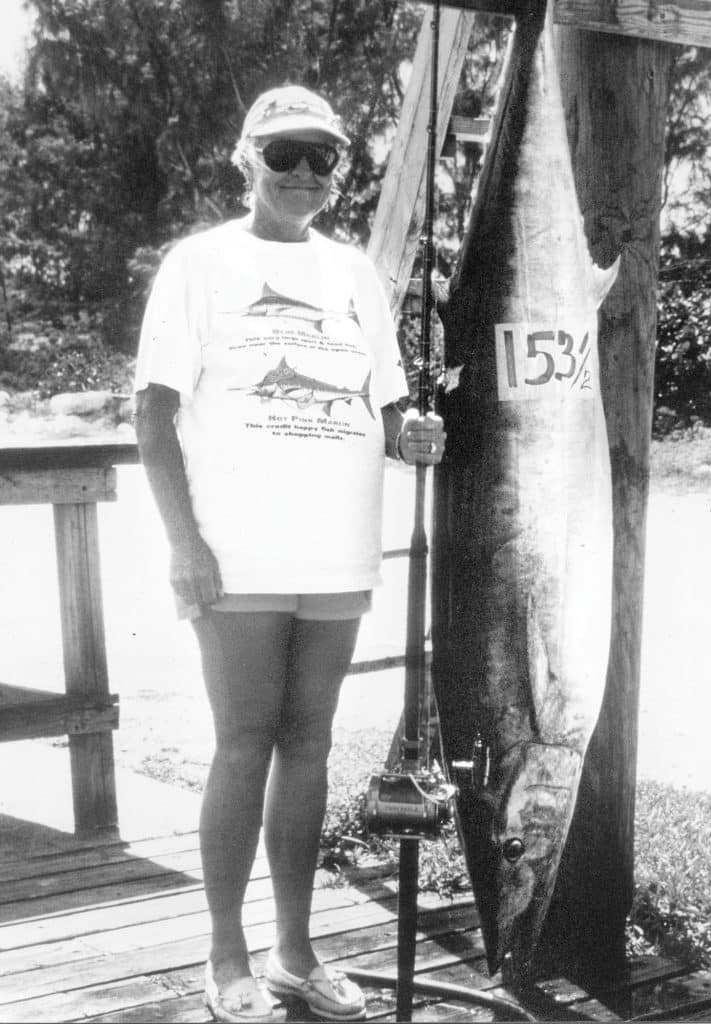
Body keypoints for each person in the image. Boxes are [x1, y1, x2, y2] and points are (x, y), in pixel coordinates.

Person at [134, 85, 446, 1023]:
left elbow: (387, 407)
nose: (305, 174)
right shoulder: (198, 264)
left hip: (338, 551)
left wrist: (413, 433)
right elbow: (153, 413)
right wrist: (185, 544)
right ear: (246, 160)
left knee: (307, 744)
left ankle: (294, 951)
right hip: (237, 556)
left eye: (324, 157)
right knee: (242, 742)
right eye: (285, 155)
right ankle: (224, 953)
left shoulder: (357, 274)